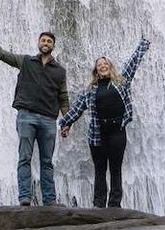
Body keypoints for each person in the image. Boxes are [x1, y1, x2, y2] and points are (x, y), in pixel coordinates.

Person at [0, 16, 68, 206]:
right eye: (43, 40)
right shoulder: (25, 61)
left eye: (49, 41)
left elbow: (63, 97)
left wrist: (67, 122)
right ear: (38, 43)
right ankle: (25, 197)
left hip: (49, 120)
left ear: (53, 46)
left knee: (47, 161)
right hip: (26, 116)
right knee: (24, 157)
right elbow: (1, 54)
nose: (46, 43)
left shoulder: (60, 71)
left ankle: (49, 200)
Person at [59, 37, 149, 208]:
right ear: (96, 70)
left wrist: (143, 45)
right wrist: (65, 123)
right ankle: (98, 205)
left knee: (116, 169)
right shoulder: (89, 90)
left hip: (117, 132)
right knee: (100, 170)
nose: (102, 65)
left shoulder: (121, 83)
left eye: (105, 63)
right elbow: (77, 109)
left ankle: (114, 204)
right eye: (99, 64)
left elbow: (133, 63)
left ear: (110, 67)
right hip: (97, 135)